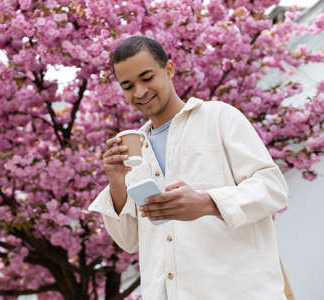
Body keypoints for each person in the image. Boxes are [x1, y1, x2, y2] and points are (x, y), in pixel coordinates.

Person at [88, 36, 289, 300]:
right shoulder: (135, 151)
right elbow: (129, 242)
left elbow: (273, 188)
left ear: (169, 69)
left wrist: (208, 203)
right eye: (128, 86)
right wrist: (116, 182)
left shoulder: (219, 117)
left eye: (147, 77)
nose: (139, 92)